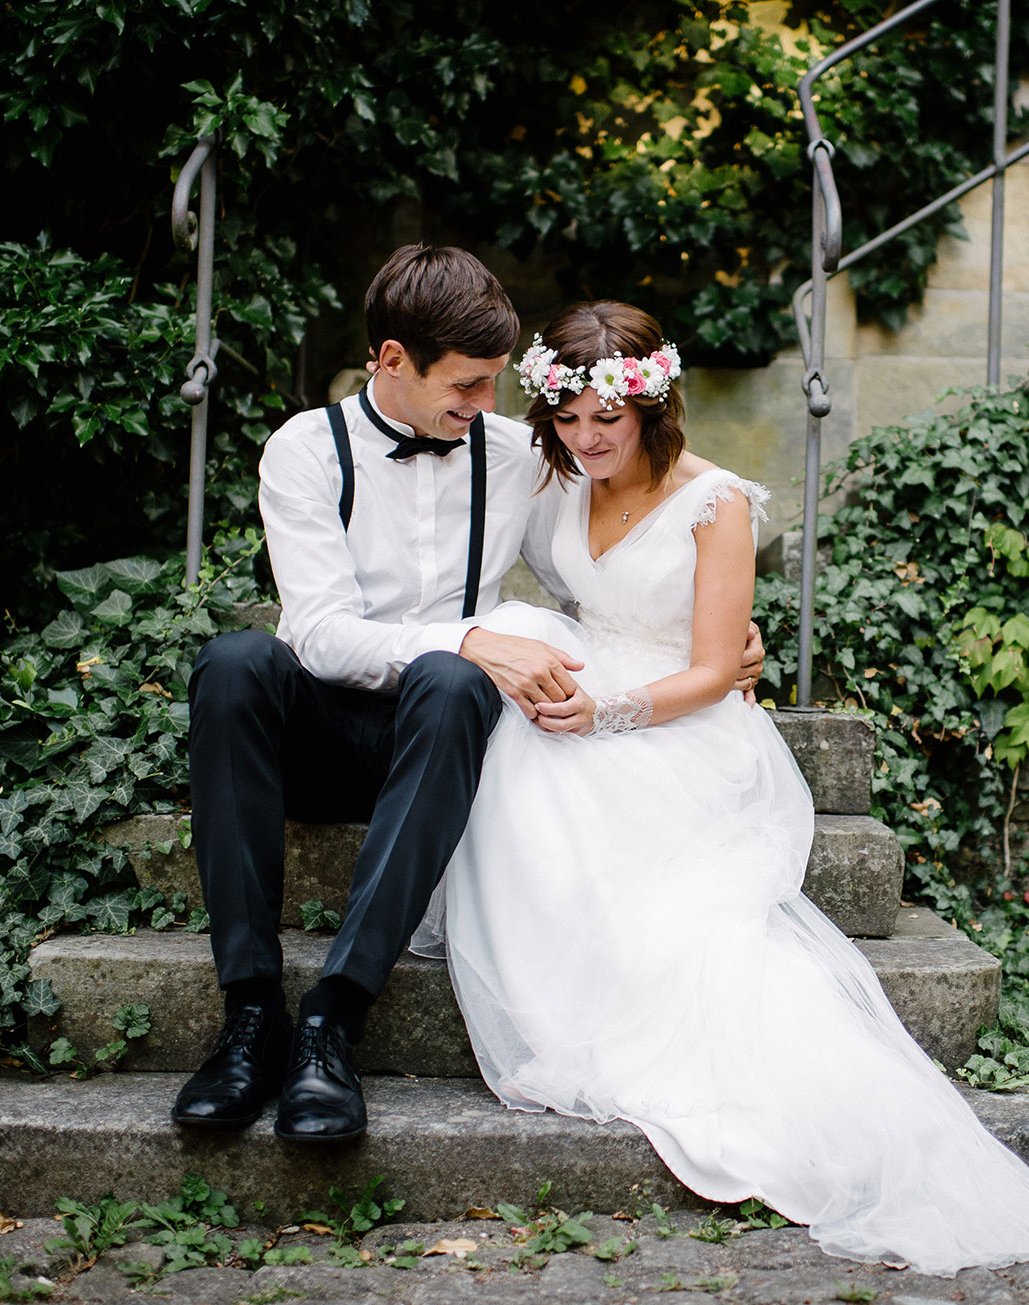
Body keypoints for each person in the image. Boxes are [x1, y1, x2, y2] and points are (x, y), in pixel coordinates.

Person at [409, 300, 1029, 1276]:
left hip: (679, 724)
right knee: (522, 763)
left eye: (602, 421)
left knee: (656, 881)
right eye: (565, 420)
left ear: (653, 408)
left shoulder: (715, 503)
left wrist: (617, 708)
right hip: (588, 682)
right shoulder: (555, 479)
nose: (583, 439)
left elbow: (707, 673)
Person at [173, 246, 766, 1141]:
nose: (488, 407)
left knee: (454, 681)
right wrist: (471, 635)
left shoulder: (517, 454)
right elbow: (321, 634)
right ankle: (251, 1013)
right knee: (233, 661)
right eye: (468, 386)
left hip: (446, 743)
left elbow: (631, 513)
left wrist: (717, 624)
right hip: (327, 739)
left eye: (496, 384)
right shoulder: (304, 451)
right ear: (392, 362)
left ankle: (333, 1019)